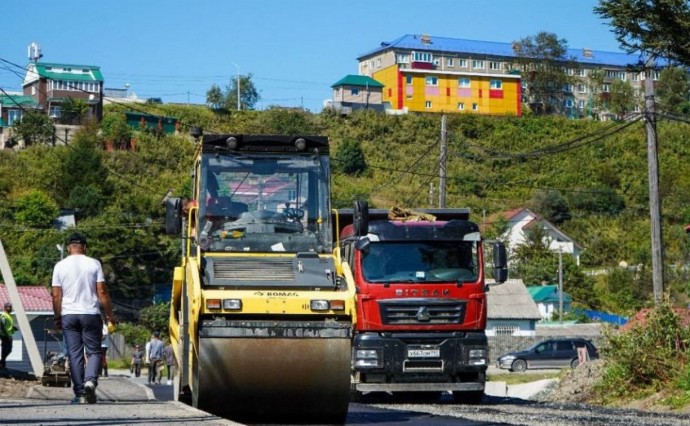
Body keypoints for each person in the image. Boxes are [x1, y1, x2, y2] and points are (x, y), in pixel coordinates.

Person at [52, 233, 116, 405]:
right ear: (85, 247)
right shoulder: (94, 264)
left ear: (68, 248)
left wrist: (57, 316)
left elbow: (56, 295)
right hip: (90, 314)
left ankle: (80, 393)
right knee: (94, 351)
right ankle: (90, 381)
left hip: (69, 315)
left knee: (74, 354)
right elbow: (102, 291)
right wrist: (110, 315)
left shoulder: (59, 266)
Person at [0, 302, 18, 370]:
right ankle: (2, 365)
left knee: (9, 350)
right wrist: (7, 335)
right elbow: (2, 326)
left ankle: (2, 363)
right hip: (5, 335)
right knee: (5, 350)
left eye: (11, 307)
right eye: (9, 307)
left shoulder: (9, 315)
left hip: (8, 335)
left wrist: (13, 328)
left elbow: (7, 325)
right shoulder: (3, 315)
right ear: (5, 307)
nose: (10, 308)